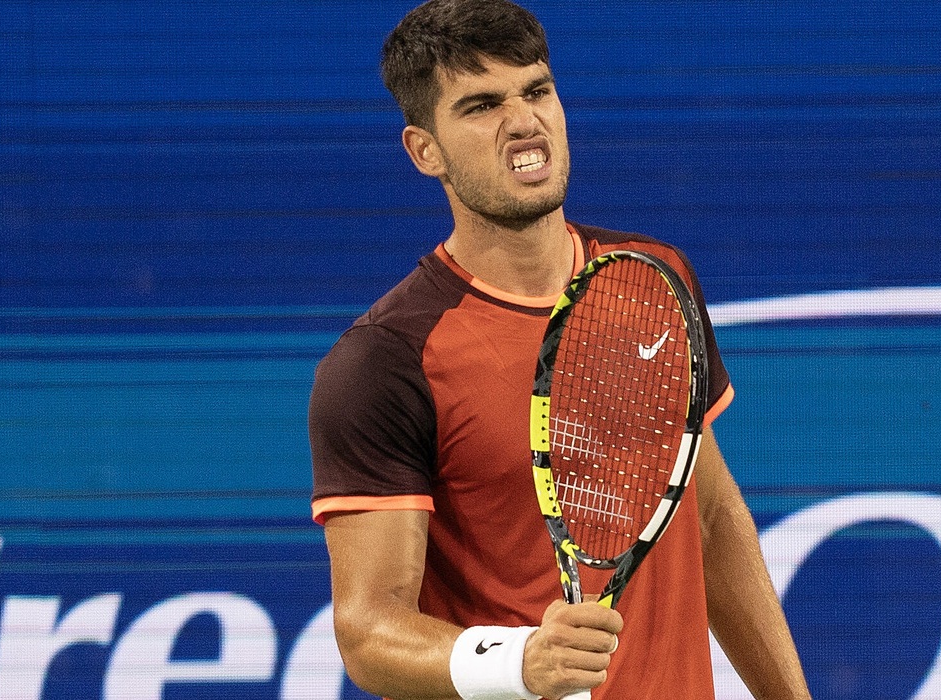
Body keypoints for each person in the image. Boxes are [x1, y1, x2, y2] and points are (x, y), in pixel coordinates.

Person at [307, 1, 812, 698]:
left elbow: (710, 516)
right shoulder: (385, 361)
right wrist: (516, 663)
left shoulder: (654, 278)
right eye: (481, 105)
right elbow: (367, 630)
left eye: (536, 91)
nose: (522, 121)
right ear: (426, 151)